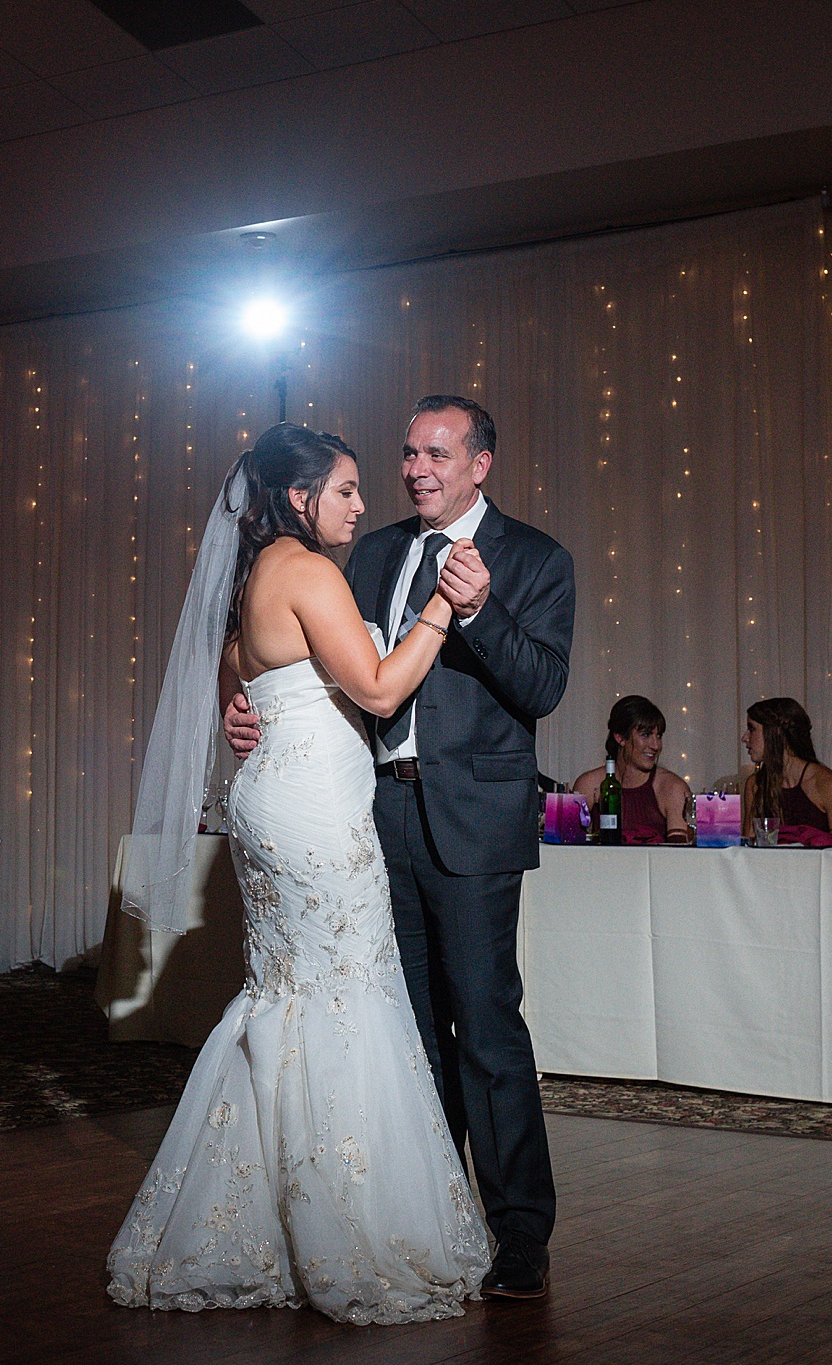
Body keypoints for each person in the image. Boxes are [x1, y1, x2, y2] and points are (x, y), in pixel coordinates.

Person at [107, 423, 490, 1325]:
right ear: (297, 496)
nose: (363, 504)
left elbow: (236, 681)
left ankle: (266, 1219)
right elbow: (382, 688)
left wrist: (248, 716)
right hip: (313, 817)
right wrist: (442, 604)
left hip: (274, 802)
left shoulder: (252, 579)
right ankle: (346, 1229)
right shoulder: (310, 571)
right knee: (343, 998)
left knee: (288, 996)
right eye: (347, 489)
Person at [222, 395, 573, 1302]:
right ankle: (431, 1213)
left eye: (436, 453)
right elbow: (293, 652)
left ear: (481, 462)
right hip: (371, 816)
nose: (415, 468)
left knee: (488, 1028)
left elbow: (542, 688)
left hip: (473, 823)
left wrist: (484, 611)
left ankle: (521, 1233)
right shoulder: (367, 550)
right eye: (408, 452)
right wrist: (248, 704)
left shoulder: (534, 557)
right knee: (406, 1032)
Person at [572, 695, 692, 844]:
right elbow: (570, 846)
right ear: (620, 737)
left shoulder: (672, 788)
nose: (655, 745)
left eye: (659, 736)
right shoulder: (589, 784)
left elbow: (681, 855)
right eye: (646, 735)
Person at [741, 697, 832, 842]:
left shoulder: (826, 783)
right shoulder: (756, 784)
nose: (745, 738)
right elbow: (748, 846)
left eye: (752, 729)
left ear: (775, 732)